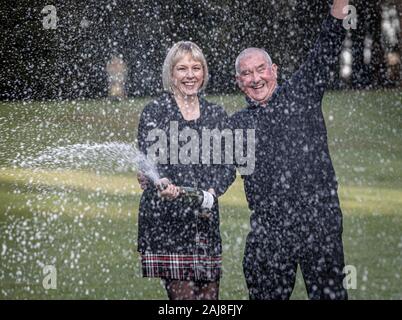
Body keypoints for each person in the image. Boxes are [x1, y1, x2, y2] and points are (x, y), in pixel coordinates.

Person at [229, 0, 350, 299]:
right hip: (269, 233)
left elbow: (329, 41)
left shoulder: (302, 93)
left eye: (261, 70)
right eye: (247, 74)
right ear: (238, 82)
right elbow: (209, 167)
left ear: (275, 70)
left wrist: (340, 5)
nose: (256, 79)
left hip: (319, 225)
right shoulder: (235, 125)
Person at [136, 41, 236, 300]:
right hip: (168, 222)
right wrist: (162, 184)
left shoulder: (216, 114)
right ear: (171, 74)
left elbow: (227, 166)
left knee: (209, 300)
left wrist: (212, 192)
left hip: (204, 219)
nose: (190, 75)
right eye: (182, 68)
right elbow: (149, 165)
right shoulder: (155, 112)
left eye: (196, 67)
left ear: (204, 72)